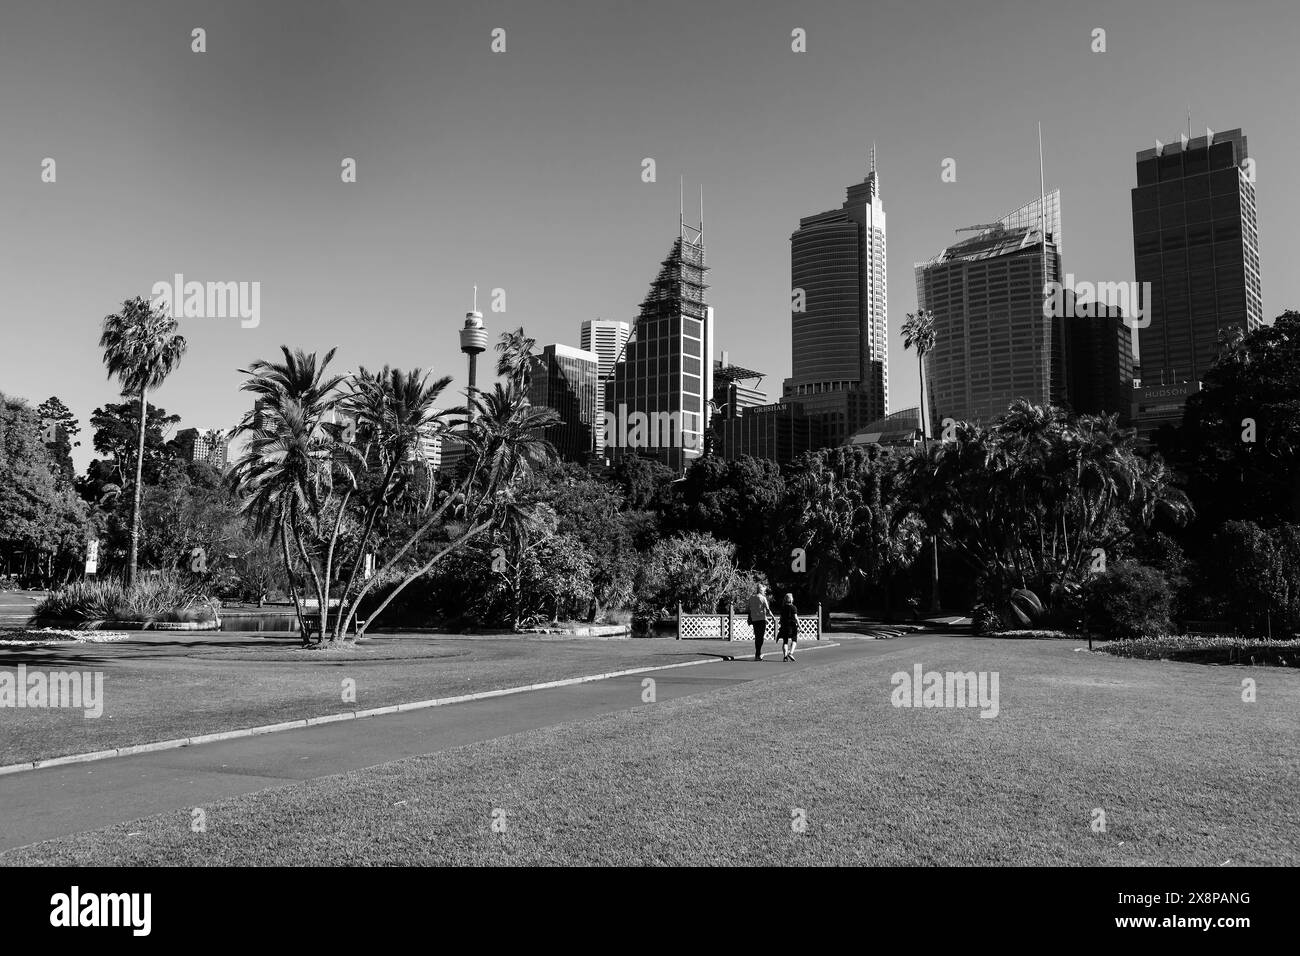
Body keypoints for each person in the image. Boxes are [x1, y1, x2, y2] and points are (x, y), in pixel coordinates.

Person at [746, 584, 772, 661]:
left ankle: (758, 654)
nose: (765, 592)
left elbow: (749, 609)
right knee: (760, 637)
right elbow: (767, 609)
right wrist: (773, 617)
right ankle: (758, 654)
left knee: (757, 637)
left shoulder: (751, 597)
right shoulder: (763, 598)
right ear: (761, 591)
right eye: (764, 591)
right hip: (761, 619)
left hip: (754, 619)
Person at [778, 592, 799, 661]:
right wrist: (799, 625)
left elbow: (781, 618)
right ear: (791, 599)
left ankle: (785, 657)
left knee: (785, 641)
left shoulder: (783, 608)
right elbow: (796, 618)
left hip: (784, 626)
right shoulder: (793, 607)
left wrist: (781, 624)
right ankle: (791, 653)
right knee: (794, 640)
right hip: (792, 626)